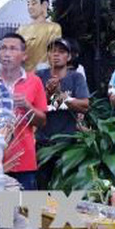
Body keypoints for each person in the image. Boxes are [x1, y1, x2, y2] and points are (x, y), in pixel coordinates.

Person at [0, 33, 48, 190]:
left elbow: (43, 121)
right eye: (3, 48)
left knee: (25, 211)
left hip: (23, 161)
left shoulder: (34, 81)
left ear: (24, 56)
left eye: (13, 49)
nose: (6, 53)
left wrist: (27, 107)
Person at [36, 38, 90, 189]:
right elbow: (35, 107)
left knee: (64, 188)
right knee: (41, 187)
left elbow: (84, 106)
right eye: (53, 51)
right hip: (42, 141)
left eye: (61, 52)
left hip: (68, 142)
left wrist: (58, 95)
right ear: (47, 55)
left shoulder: (76, 77)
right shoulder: (38, 76)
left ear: (69, 57)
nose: (56, 55)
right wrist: (47, 92)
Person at [17, 0, 62, 72]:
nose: (30, 7)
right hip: (25, 76)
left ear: (44, 5)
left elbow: (55, 54)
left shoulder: (53, 28)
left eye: (34, 3)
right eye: (28, 4)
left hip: (44, 74)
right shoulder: (21, 29)